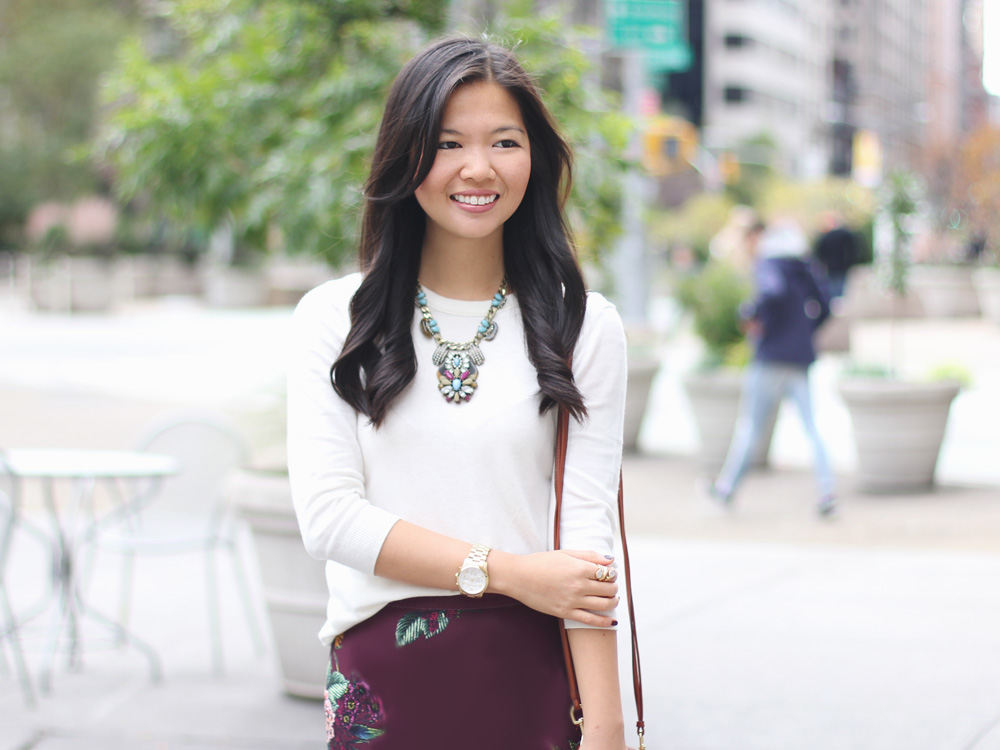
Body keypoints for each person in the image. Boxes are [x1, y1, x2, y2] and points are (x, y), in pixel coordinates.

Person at [286, 38, 629, 750]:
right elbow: (329, 519)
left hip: (530, 679)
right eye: (448, 143)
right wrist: (510, 573)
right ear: (405, 155)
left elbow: (585, 542)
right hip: (385, 688)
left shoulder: (584, 326)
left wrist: (607, 731)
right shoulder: (335, 318)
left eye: (505, 142)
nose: (478, 168)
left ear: (534, 158)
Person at [709, 218, 836, 517]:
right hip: (800, 357)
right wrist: (806, 332)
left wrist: (750, 314)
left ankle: (726, 488)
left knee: (751, 427)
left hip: (770, 357)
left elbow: (773, 292)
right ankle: (827, 491)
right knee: (811, 426)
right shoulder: (804, 266)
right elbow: (826, 304)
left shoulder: (769, 264)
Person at [813, 211, 859, 299]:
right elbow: (853, 249)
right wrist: (850, 263)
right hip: (842, 266)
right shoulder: (845, 234)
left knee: (832, 290)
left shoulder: (824, 237)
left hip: (831, 267)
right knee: (839, 290)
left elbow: (819, 253)